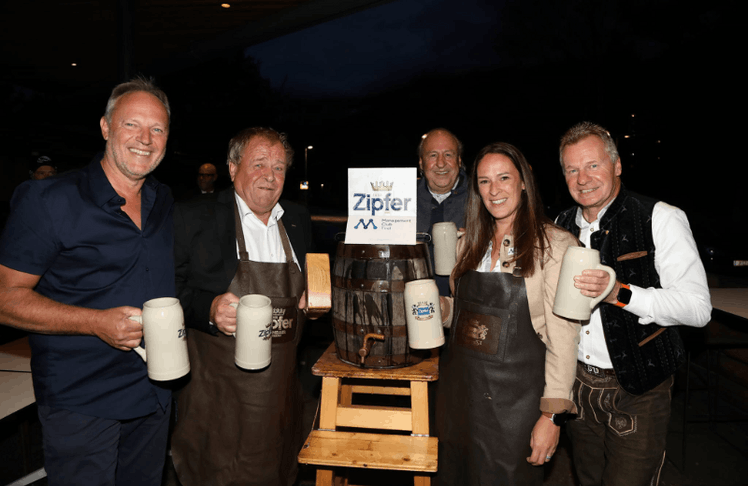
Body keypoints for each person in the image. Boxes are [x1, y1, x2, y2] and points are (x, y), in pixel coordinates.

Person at [0, 78, 174, 485]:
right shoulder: (49, 200)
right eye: (132, 125)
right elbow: (5, 298)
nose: (145, 139)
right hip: (82, 398)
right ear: (105, 127)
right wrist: (95, 323)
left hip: (154, 393)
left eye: (158, 129)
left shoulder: (162, 200)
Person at [555, 121, 712, 486]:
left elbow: (699, 309)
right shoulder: (560, 225)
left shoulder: (660, 217)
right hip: (577, 387)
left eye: (593, 165)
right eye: (572, 169)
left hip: (638, 391)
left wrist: (620, 293)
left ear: (617, 165)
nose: (583, 178)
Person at [170, 127, 313, 486]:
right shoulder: (194, 216)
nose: (270, 176)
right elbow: (165, 287)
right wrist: (209, 306)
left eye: (279, 167)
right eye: (260, 164)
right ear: (232, 168)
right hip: (218, 394)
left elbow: (310, 280)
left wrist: (314, 295)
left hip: (280, 393)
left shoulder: (297, 219)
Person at [436, 142, 580, 485]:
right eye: (484, 181)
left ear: (524, 182)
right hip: (459, 399)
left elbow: (564, 337)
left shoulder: (556, 246)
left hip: (515, 410)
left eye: (503, 178)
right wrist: (440, 309)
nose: (494, 190)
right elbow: (467, 314)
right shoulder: (467, 242)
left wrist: (552, 416)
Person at [417, 128, 468, 296]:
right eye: (432, 155)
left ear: (459, 161)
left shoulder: (481, 197)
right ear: (421, 163)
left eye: (448, 155)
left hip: (465, 302)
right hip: (411, 300)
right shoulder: (400, 199)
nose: (440, 163)